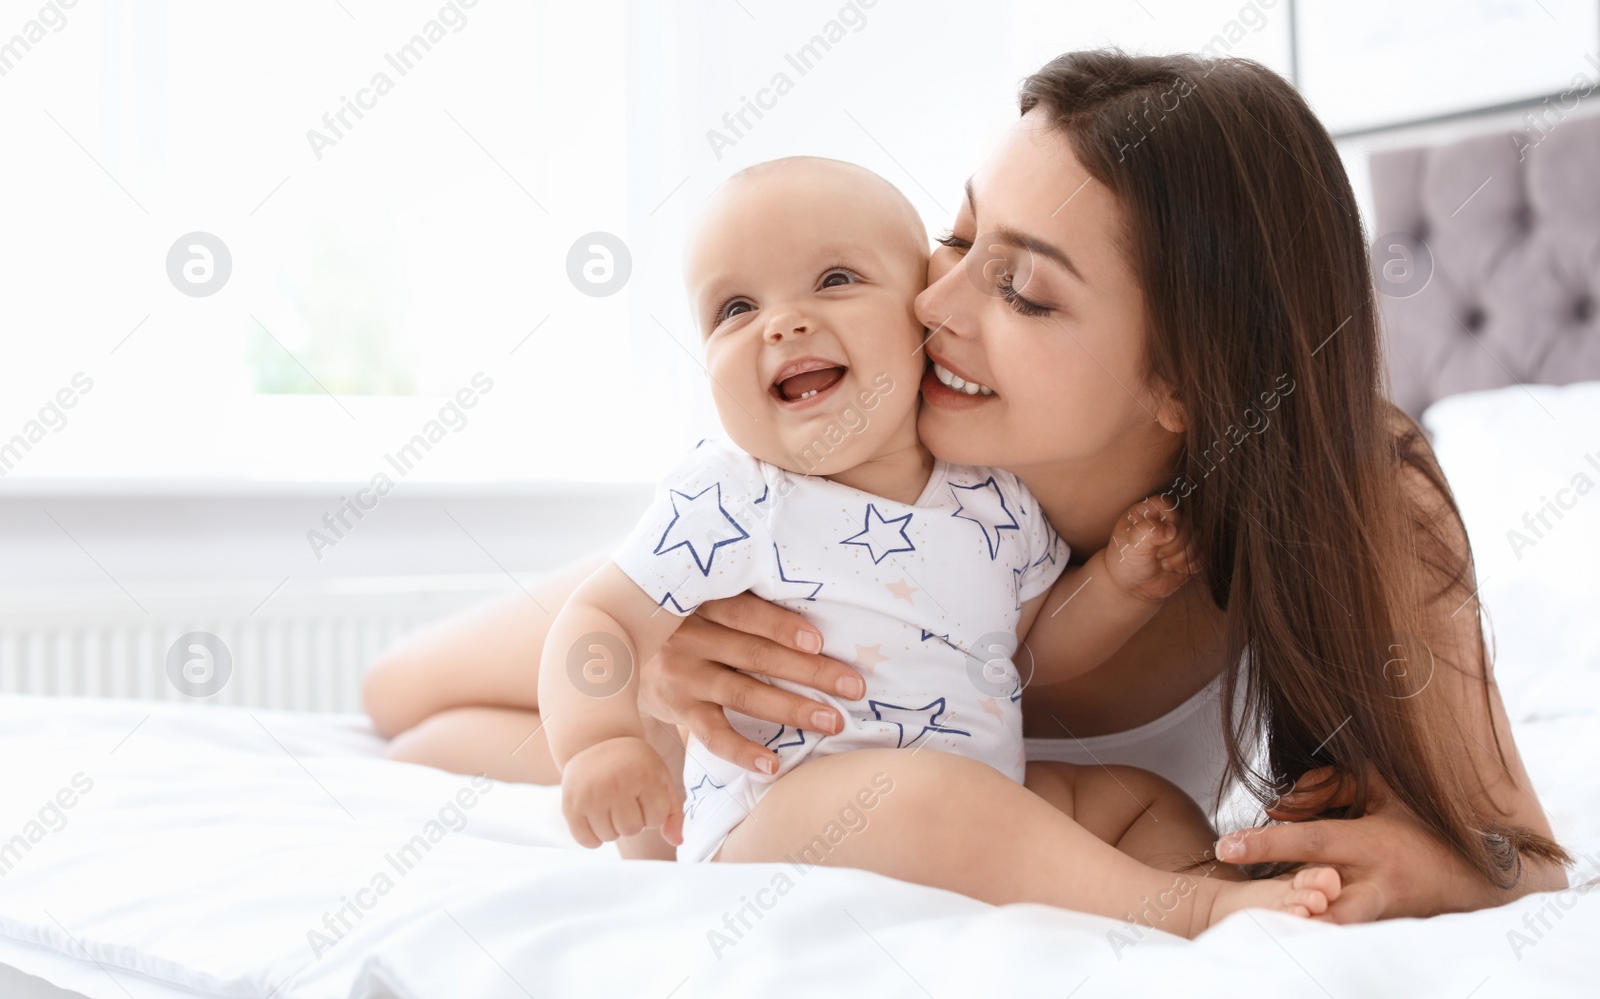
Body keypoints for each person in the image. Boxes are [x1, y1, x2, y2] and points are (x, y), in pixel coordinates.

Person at [365, 50, 1571, 923]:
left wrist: (1455, 869)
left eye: (1025, 291)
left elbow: (1519, 850)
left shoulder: (1361, 505)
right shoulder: (864, 459)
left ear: (1183, 381)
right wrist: (655, 674)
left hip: (876, 770)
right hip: (768, 654)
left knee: (457, 742)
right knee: (396, 695)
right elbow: (610, 636)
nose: (931, 304)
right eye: (955, 235)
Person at [532, 157, 1337, 933]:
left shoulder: (991, 493)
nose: (783, 321)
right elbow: (595, 623)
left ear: (922, 310)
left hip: (979, 799)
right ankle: (1193, 915)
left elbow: (1028, 652)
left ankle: (1182, 899)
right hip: (778, 819)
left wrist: (1121, 587)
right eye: (734, 309)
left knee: (1140, 798)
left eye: (836, 280)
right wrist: (600, 741)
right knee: (922, 799)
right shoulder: (733, 494)